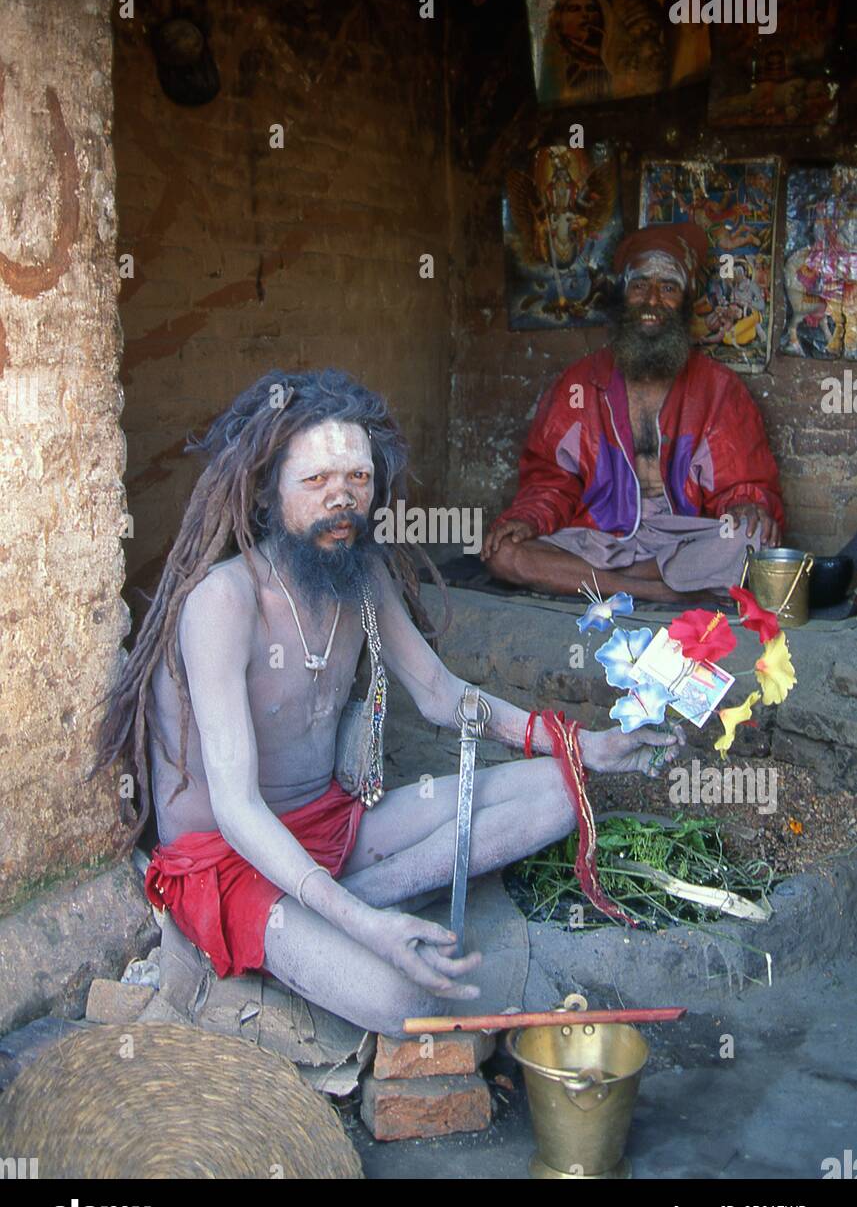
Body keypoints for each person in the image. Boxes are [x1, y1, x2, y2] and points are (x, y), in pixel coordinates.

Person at [93, 370, 683, 1037]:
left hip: (332, 828)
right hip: (232, 860)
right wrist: (366, 931)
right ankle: (350, 912)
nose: (340, 500)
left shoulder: (362, 576)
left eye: (357, 481)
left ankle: (360, 898)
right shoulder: (221, 603)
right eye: (314, 483)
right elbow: (235, 809)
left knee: (558, 789)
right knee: (410, 1001)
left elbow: (440, 694)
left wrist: (583, 743)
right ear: (266, 494)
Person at [482, 224, 784, 602]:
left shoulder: (719, 389)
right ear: (623, 295)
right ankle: (663, 591)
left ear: (686, 300)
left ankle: (617, 584)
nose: (652, 300)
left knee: (751, 541)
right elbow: (550, 481)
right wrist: (528, 519)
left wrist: (747, 505)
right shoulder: (579, 384)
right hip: (599, 537)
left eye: (668, 288)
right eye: (640, 285)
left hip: (682, 538)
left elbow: (741, 483)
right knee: (503, 554)